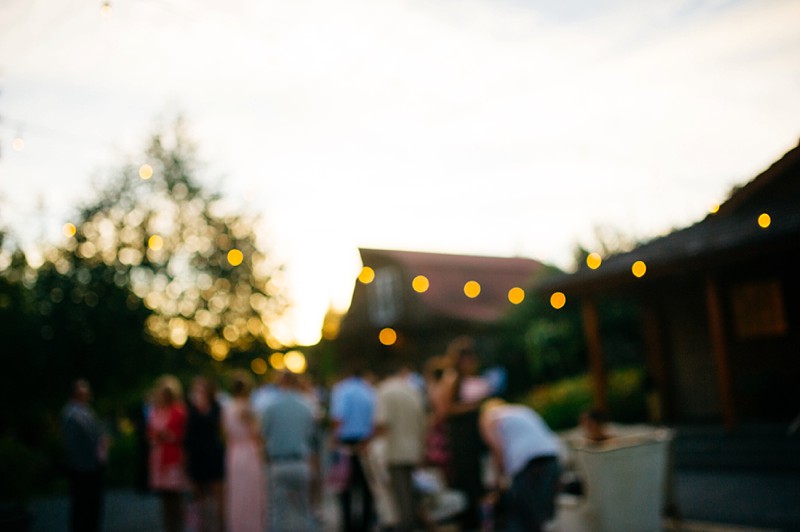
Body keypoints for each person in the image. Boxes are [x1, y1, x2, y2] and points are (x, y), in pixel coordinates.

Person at [478, 398, 561, 532]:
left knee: (522, 517)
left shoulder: (488, 417)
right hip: (552, 459)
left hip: (528, 466)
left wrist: (498, 483)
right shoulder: (521, 410)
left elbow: (497, 449)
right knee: (541, 517)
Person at [439, 336, 493, 529]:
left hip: (475, 436)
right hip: (462, 438)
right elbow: (445, 410)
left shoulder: (471, 378)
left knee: (479, 481)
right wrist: (471, 407)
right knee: (468, 482)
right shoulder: (452, 379)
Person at [373, 363, 427, 532]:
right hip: (413, 447)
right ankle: (413, 522)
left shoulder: (385, 391)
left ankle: (406, 525)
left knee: (400, 493)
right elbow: (422, 420)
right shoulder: (412, 390)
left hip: (395, 449)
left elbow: (382, 423)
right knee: (410, 490)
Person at [260, 371, 316, 531]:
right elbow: (310, 435)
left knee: (276, 513)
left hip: (278, 463)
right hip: (300, 462)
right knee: (305, 510)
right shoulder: (306, 405)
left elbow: (264, 434)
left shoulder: (270, 406)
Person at [329, 367, 377, 532]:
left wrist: (334, 439)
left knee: (345, 487)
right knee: (366, 487)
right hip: (365, 443)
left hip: (346, 443)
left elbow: (338, 416)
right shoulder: (369, 390)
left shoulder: (342, 390)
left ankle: (348, 524)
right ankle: (365, 524)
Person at [222, 371, 266, 532]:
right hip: (249, 452)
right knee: (251, 492)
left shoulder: (227, 407)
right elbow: (257, 433)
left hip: (233, 452)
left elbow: (224, 433)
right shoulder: (247, 408)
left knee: (236, 492)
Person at [62, 379, 107, 532]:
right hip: (82, 468)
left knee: (92, 506)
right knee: (82, 506)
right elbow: (72, 444)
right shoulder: (71, 414)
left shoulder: (87, 411)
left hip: (92, 466)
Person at [147, 374, 189, 532]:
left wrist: (170, 436)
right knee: (165, 497)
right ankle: (168, 526)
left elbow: (183, 434)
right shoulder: (156, 410)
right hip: (160, 455)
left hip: (173, 455)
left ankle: (178, 526)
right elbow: (150, 431)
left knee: (176, 496)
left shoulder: (178, 411)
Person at [184, 376, 226, 532]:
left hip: (214, 454)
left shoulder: (217, 408)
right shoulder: (190, 410)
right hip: (197, 456)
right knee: (198, 499)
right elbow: (187, 436)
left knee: (218, 496)